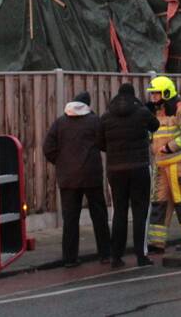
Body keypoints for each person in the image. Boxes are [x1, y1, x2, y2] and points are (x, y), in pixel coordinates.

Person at [42, 91, 111, 267]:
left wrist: (61, 162)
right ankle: (105, 254)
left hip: (68, 178)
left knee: (70, 219)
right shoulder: (95, 121)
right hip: (91, 175)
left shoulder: (60, 122)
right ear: (88, 105)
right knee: (99, 216)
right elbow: (104, 143)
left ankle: (70, 258)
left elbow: (47, 147)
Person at [98, 82, 159, 268]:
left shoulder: (106, 116)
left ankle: (116, 256)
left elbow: (100, 143)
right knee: (140, 212)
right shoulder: (141, 112)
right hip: (139, 167)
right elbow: (155, 126)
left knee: (119, 211)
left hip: (115, 170)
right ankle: (141, 255)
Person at [145, 75, 181, 253]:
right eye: (152, 94)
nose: (153, 97)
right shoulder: (154, 112)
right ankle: (156, 243)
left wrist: (170, 147)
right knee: (159, 204)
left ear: (166, 93)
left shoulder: (180, 109)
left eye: (156, 94)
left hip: (179, 165)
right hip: (161, 166)